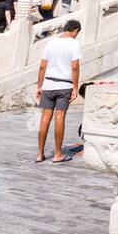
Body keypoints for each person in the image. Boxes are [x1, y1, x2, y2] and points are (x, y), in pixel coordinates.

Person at [35, 19, 81, 164]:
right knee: (59, 118)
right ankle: (58, 154)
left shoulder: (51, 42)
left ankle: (40, 154)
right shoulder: (74, 43)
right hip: (64, 85)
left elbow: (42, 66)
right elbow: (75, 67)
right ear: (75, 31)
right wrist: (75, 86)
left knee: (45, 118)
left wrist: (39, 85)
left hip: (48, 84)